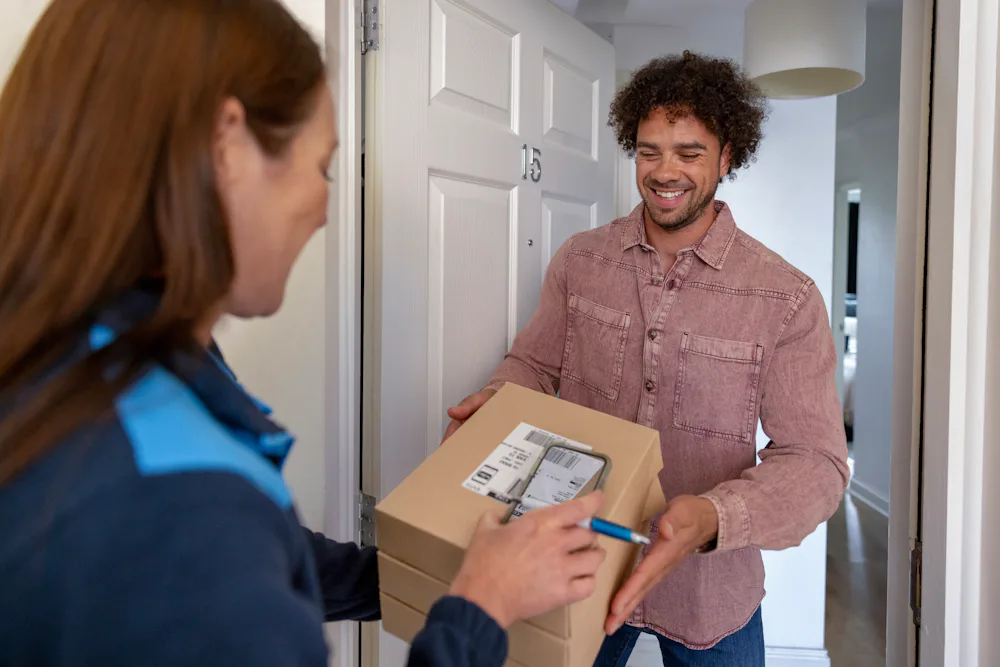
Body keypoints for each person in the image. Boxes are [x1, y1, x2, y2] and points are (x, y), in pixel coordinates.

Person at [0, 1, 607, 666]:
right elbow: (215, 548)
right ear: (225, 146)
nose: (324, 209)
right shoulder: (181, 504)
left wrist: (434, 573)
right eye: (322, 166)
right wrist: (480, 611)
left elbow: (263, 558)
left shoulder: (82, 352)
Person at [444, 52, 851, 667]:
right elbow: (534, 364)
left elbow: (817, 462)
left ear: (726, 156)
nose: (665, 172)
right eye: (649, 151)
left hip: (710, 592)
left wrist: (712, 516)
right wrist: (498, 398)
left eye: (689, 153)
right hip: (581, 566)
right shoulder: (582, 261)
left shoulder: (784, 299)